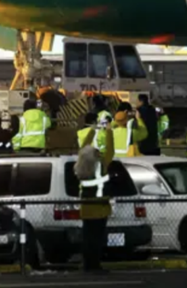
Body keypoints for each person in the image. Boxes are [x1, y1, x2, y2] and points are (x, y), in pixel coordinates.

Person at [75, 116, 113, 272]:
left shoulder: (81, 165)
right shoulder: (102, 165)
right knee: (97, 239)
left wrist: (94, 129)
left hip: (86, 207)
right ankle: (95, 265)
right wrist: (108, 130)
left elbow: (84, 146)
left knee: (87, 238)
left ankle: (87, 264)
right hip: (100, 206)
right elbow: (111, 149)